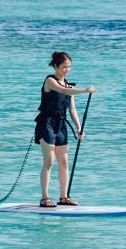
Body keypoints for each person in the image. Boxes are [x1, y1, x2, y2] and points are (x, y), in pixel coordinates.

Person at [36, 51, 95, 208]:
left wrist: (79, 128)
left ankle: (63, 197)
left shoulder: (69, 84)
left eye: (69, 67)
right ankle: (44, 198)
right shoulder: (50, 81)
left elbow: (72, 109)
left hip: (61, 125)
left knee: (64, 162)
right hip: (47, 124)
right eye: (64, 67)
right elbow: (63, 91)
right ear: (55, 66)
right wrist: (84, 90)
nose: (66, 70)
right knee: (49, 162)